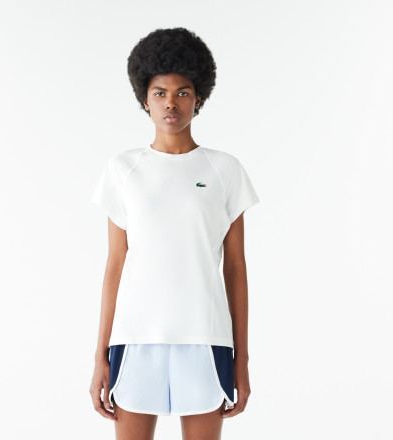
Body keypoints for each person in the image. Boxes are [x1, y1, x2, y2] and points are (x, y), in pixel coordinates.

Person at [89, 27, 260, 440]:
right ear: (144, 100)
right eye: (160, 92)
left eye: (183, 92)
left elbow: (235, 268)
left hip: (206, 337)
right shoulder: (123, 169)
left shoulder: (224, 170)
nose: (171, 102)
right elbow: (115, 265)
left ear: (198, 98)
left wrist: (241, 360)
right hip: (135, 338)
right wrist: (99, 357)